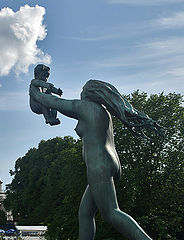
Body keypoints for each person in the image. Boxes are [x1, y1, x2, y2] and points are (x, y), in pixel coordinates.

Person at [29, 76, 164, 240]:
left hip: (98, 165)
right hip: (111, 163)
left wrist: (34, 90)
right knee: (85, 214)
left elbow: (50, 101)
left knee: (112, 213)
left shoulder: (84, 107)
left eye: (82, 90)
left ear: (88, 93)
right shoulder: (104, 112)